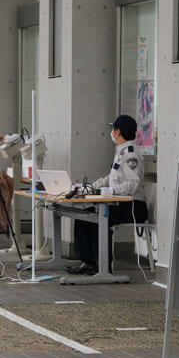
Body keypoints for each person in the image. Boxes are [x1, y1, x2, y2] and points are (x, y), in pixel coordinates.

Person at [67, 114, 148, 275]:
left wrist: (112, 191)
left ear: (118, 132)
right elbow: (110, 178)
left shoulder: (131, 153)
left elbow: (133, 183)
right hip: (120, 203)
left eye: (113, 129)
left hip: (134, 206)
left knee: (100, 217)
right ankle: (87, 262)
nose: (112, 132)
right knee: (85, 215)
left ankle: (102, 265)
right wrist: (90, 187)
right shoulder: (121, 151)